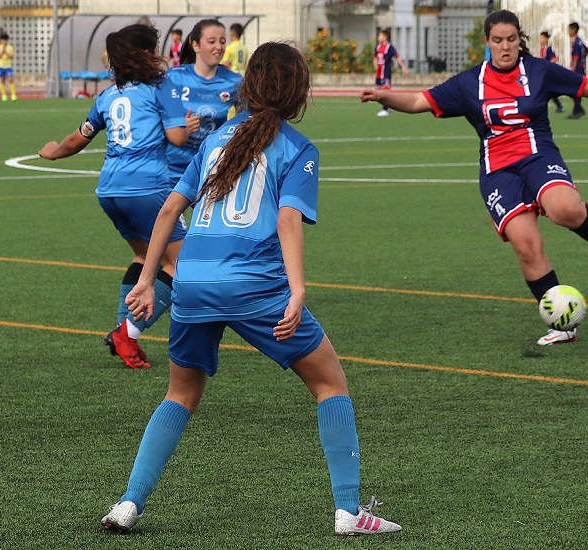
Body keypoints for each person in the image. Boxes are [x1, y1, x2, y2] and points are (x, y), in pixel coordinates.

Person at [99, 42, 402, 537]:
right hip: (253, 285)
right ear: (299, 92)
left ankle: (128, 503)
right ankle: (348, 512)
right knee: (329, 383)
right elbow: (287, 218)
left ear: (249, 86)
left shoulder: (216, 140)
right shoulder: (298, 148)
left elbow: (170, 210)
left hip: (194, 282)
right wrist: (298, 288)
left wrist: (151, 279)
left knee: (180, 394)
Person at [361, 9, 588, 346]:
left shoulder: (540, 71)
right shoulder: (468, 83)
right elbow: (420, 101)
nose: (505, 47)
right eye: (497, 40)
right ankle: (562, 324)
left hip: (539, 157)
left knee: (566, 209)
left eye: (511, 39)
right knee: (526, 246)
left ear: (520, 39)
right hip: (497, 172)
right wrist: (386, 95)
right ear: (486, 42)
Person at [38, 24, 195, 368]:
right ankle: (128, 332)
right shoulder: (160, 87)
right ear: (147, 53)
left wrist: (52, 152)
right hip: (147, 188)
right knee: (180, 266)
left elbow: (79, 138)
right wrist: (187, 126)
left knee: (144, 258)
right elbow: (178, 138)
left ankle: (125, 337)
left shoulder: (108, 96)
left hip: (110, 191)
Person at [165, 19, 241, 180]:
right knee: (169, 206)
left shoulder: (234, 81)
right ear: (195, 45)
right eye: (212, 41)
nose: (219, 47)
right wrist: (180, 128)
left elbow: (248, 118)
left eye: (222, 42)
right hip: (172, 169)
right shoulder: (174, 77)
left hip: (211, 167)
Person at [373, 28, 407, 117]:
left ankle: (386, 109)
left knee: (385, 91)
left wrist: (403, 67)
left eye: (380, 36)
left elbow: (397, 57)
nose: (378, 37)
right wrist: (375, 67)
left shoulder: (389, 47)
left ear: (385, 37)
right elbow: (375, 58)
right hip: (379, 74)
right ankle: (389, 106)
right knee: (378, 92)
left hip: (386, 73)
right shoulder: (378, 47)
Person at [567, 21, 588, 119]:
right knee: (576, 91)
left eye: (569, 29)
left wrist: (573, 68)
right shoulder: (580, 41)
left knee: (573, 90)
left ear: (574, 30)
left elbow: (576, 57)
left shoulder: (576, 42)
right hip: (582, 68)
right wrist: (583, 59)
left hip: (577, 70)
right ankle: (578, 110)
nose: (568, 31)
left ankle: (578, 110)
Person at [538, 31, 563, 113]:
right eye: (540, 38)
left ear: (546, 39)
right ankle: (557, 105)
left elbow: (554, 58)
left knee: (548, 90)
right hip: (544, 72)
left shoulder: (548, 48)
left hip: (548, 73)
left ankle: (559, 105)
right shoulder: (542, 49)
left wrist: (548, 64)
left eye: (542, 38)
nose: (540, 39)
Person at [0, 32, 17, 102]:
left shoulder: (10, 47)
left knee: (10, 79)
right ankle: (4, 95)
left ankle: (13, 95)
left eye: (5, 40)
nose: (4, 41)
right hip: (1, 66)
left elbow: (11, 57)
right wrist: (2, 51)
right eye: (2, 40)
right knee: (2, 80)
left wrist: (6, 51)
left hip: (8, 66)